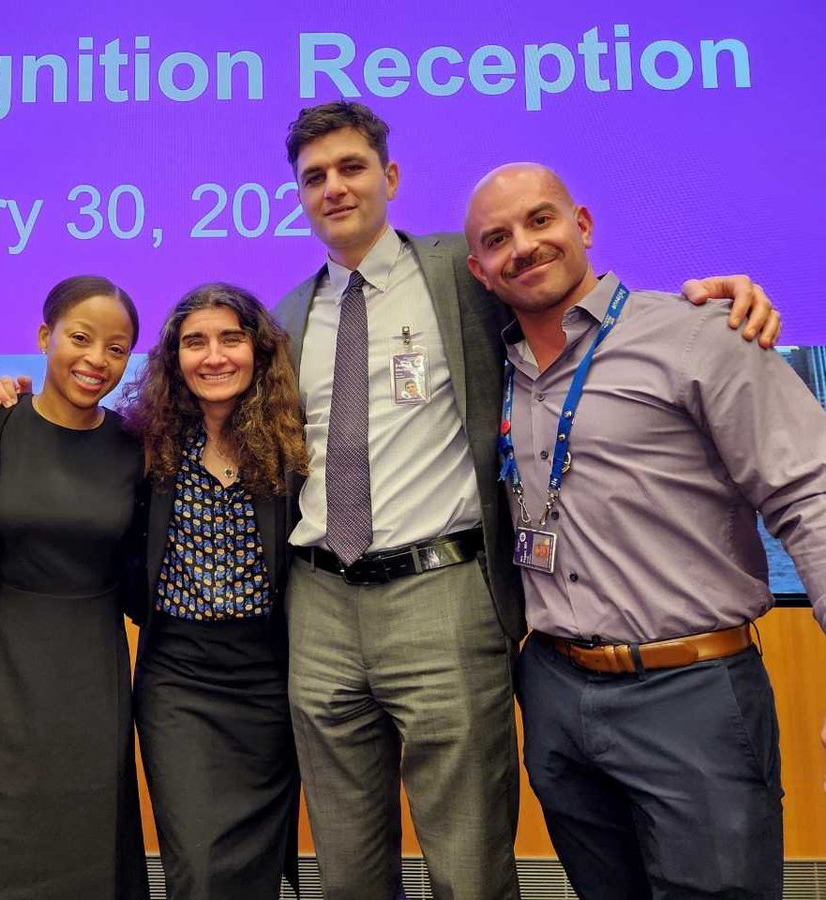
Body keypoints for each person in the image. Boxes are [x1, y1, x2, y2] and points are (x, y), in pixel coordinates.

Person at [274, 100, 783, 900]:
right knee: (343, 858)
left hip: (440, 593)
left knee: (469, 858)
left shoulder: (462, 274)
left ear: (390, 177)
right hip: (319, 603)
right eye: (314, 177)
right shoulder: (286, 316)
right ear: (299, 195)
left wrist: (718, 299)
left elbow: (574, 302)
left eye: (352, 168)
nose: (334, 188)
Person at [464, 162, 826, 899]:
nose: (523, 247)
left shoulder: (701, 336)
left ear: (583, 225)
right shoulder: (493, 372)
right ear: (479, 269)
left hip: (692, 693)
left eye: (540, 221)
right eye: (497, 239)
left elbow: (809, 495)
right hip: (558, 693)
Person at [0, 275, 149, 900]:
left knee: (86, 836)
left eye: (117, 347)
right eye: (80, 338)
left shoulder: (135, 447)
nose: (96, 360)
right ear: (43, 336)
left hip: (89, 668)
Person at [121, 283, 307, 899]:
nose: (214, 356)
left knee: (253, 869)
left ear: (258, 350)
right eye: (194, 342)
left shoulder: (294, 446)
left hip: (270, 681)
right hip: (178, 680)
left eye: (231, 338)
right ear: (174, 359)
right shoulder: (145, 443)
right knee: (196, 867)